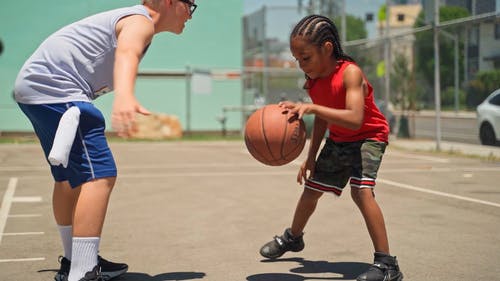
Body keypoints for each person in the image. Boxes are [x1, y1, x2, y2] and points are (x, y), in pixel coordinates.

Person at [13, 0, 197, 280]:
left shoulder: (132, 19)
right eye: (191, 5)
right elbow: (127, 53)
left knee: (67, 178)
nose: (191, 14)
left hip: (37, 89)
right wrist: (125, 95)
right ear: (171, 2)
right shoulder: (141, 21)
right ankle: (83, 271)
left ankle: (74, 261)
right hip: (58, 90)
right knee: (99, 175)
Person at [259, 15, 403, 281]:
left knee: (361, 192)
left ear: (326, 48)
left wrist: (311, 108)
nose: (302, 65)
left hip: (369, 137)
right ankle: (293, 238)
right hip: (339, 139)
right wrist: (310, 157)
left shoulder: (350, 73)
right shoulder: (314, 79)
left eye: (306, 57)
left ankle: (387, 264)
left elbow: (354, 117)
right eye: (298, 60)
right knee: (311, 191)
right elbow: (324, 118)